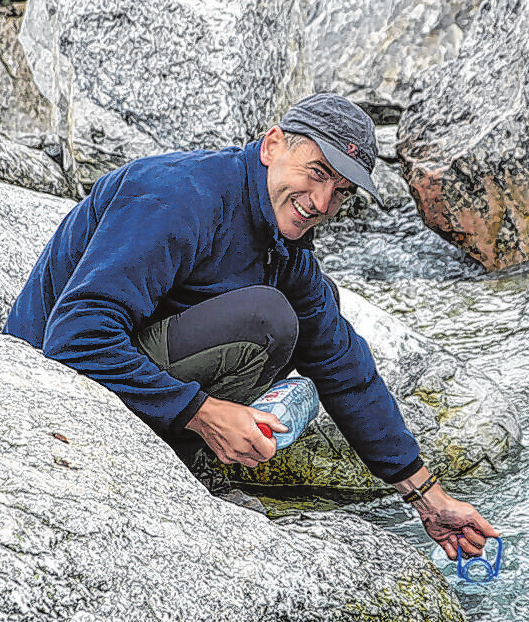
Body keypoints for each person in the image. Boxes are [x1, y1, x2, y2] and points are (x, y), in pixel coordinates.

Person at [3, 93, 498, 560]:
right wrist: (201, 411)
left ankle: (177, 464)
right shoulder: (177, 196)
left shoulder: (284, 242)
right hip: (48, 392)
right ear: (272, 145)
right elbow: (76, 336)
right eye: (317, 172)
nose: (322, 203)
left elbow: (342, 365)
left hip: (119, 376)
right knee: (268, 319)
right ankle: (184, 457)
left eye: (340, 192)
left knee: (301, 320)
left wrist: (427, 498)